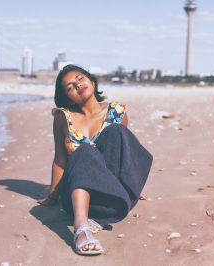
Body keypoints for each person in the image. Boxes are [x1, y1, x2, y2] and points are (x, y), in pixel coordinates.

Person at [38, 64, 153, 256]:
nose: (77, 85)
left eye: (80, 78)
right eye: (69, 87)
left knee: (117, 132)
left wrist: (134, 184)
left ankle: (102, 214)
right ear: (67, 97)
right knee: (84, 151)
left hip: (110, 194)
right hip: (76, 198)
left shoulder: (116, 112)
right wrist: (52, 196)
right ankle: (81, 228)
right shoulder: (63, 117)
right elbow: (60, 158)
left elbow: (122, 153)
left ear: (91, 80)